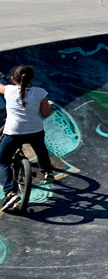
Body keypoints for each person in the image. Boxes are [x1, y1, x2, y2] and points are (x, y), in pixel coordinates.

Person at [0, 65, 57, 210]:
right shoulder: (40, 93)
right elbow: (45, 114)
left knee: (2, 162)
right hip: (35, 131)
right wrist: (48, 106)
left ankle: (10, 193)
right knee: (41, 150)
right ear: (32, 79)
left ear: (13, 79)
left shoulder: (8, 90)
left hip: (14, 132)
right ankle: (47, 171)